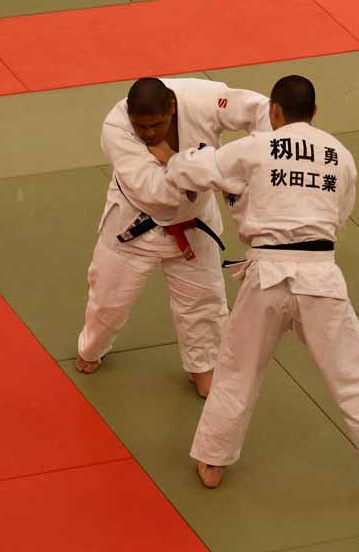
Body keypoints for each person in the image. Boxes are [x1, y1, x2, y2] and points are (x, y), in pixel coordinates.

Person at [157, 75, 359, 488]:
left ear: (275, 111)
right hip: (320, 274)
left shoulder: (254, 147)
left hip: (267, 274)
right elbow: (340, 215)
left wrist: (168, 157)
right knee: (353, 372)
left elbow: (195, 169)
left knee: (238, 370)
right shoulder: (339, 155)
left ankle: (212, 462)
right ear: (314, 112)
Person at [76, 77, 270, 396]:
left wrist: (263, 154)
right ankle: (92, 346)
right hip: (132, 224)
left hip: (195, 221)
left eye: (156, 124)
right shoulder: (116, 127)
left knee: (205, 303)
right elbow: (156, 191)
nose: (149, 133)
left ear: (172, 107)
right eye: (141, 126)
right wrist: (220, 172)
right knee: (108, 301)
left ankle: (203, 366)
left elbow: (262, 109)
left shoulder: (202, 98)